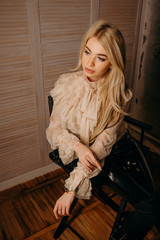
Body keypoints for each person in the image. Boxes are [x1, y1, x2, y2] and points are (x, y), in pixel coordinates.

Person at [46, 20, 159, 240]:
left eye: (101, 57)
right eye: (88, 52)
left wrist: (71, 191)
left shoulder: (117, 96)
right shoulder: (66, 83)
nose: (90, 62)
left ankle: (122, 234)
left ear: (112, 63)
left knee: (152, 206)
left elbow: (100, 148)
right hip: (88, 156)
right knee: (154, 206)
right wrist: (77, 148)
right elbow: (54, 129)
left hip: (116, 151)